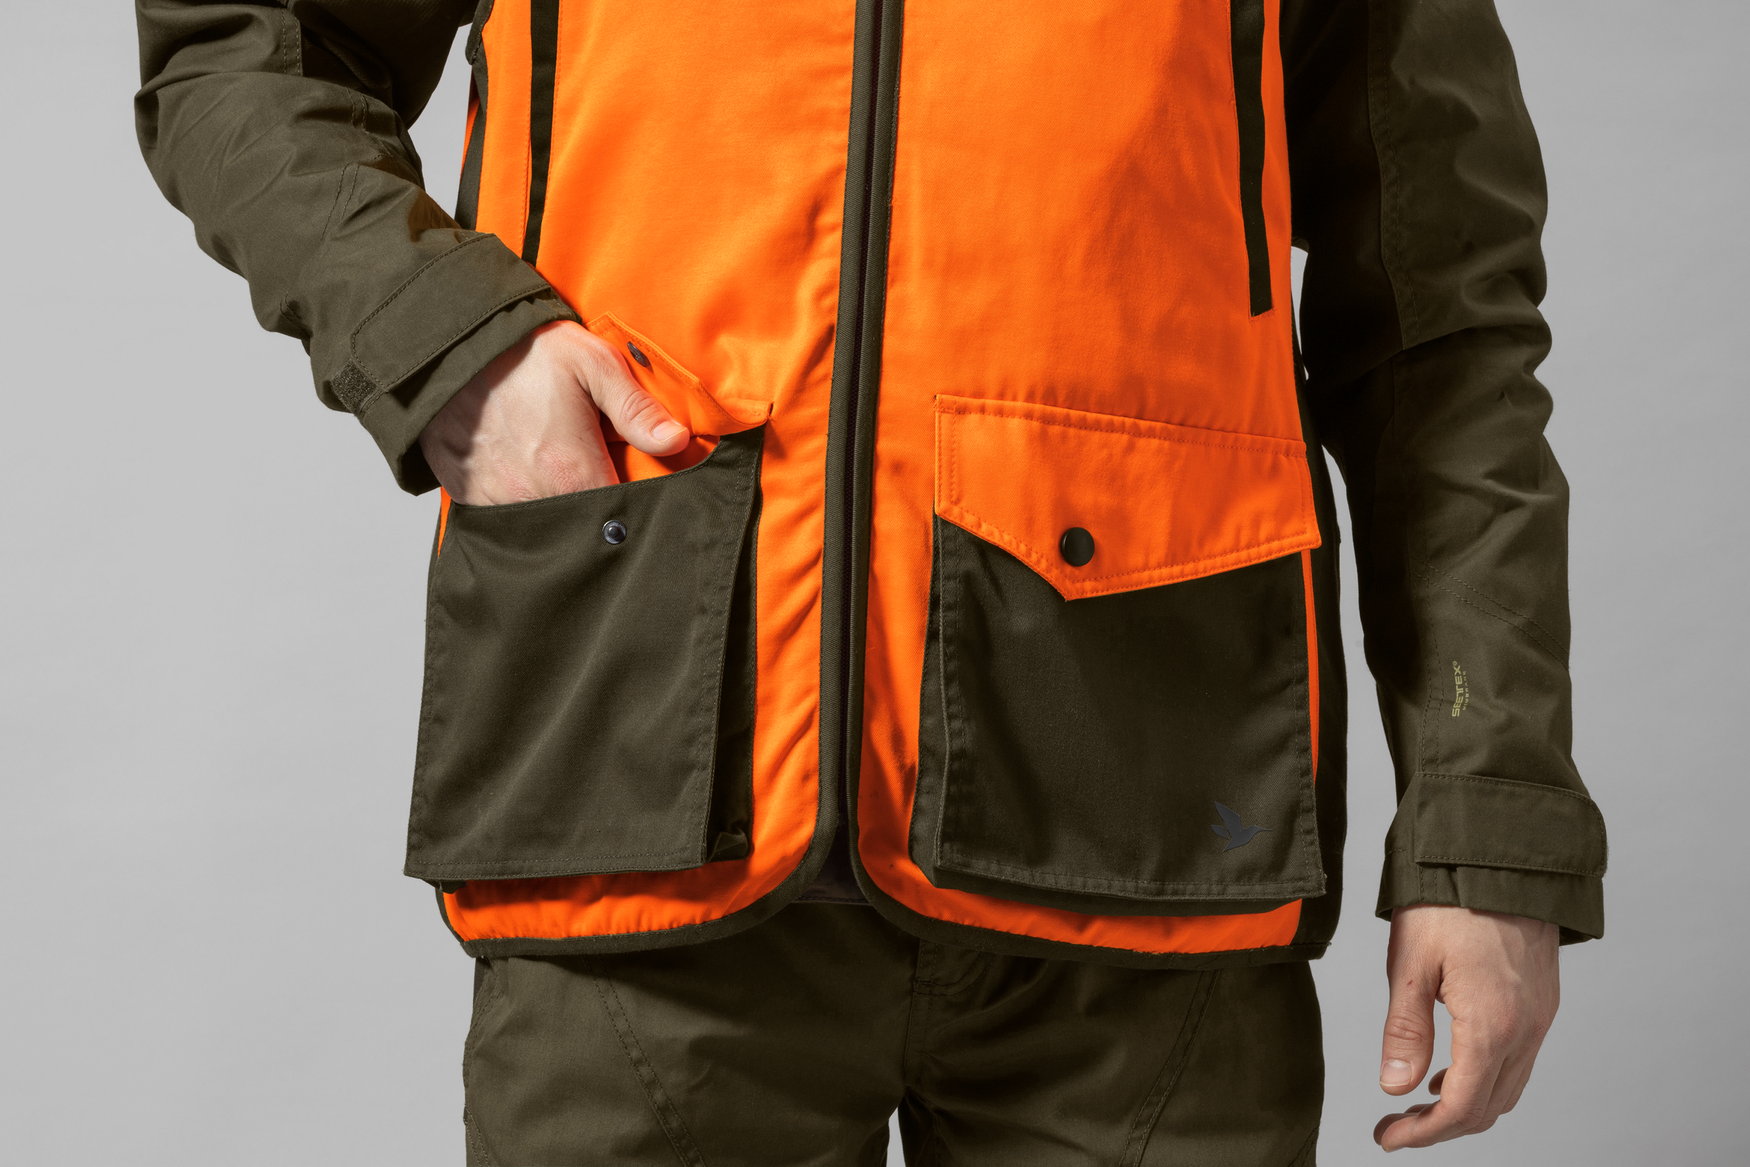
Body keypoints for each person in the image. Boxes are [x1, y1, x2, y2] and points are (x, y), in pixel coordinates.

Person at [135, 1, 1606, 1162]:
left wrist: (1486, 831)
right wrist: (452, 343)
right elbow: (242, 43)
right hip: (643, 790)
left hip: (1153, 829)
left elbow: (1440, 322)